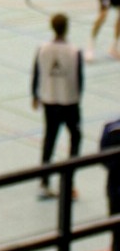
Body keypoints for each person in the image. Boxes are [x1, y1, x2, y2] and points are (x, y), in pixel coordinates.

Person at [32, 13, 83, 199]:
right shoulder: (74, 51)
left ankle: (44, 181)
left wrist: (35, 95)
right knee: (75, 138)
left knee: (49, 139)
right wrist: (77, 99)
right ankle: (69, 182)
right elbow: (80, 79)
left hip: (50, 100)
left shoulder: (43, 49)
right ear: (66, 28)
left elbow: (36, 73)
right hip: (69, 102)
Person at [100, 117, 120, 251]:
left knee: (117, 234)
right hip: (115, 188)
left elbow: (103, 160)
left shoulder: (110, 128)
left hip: (115, 187)